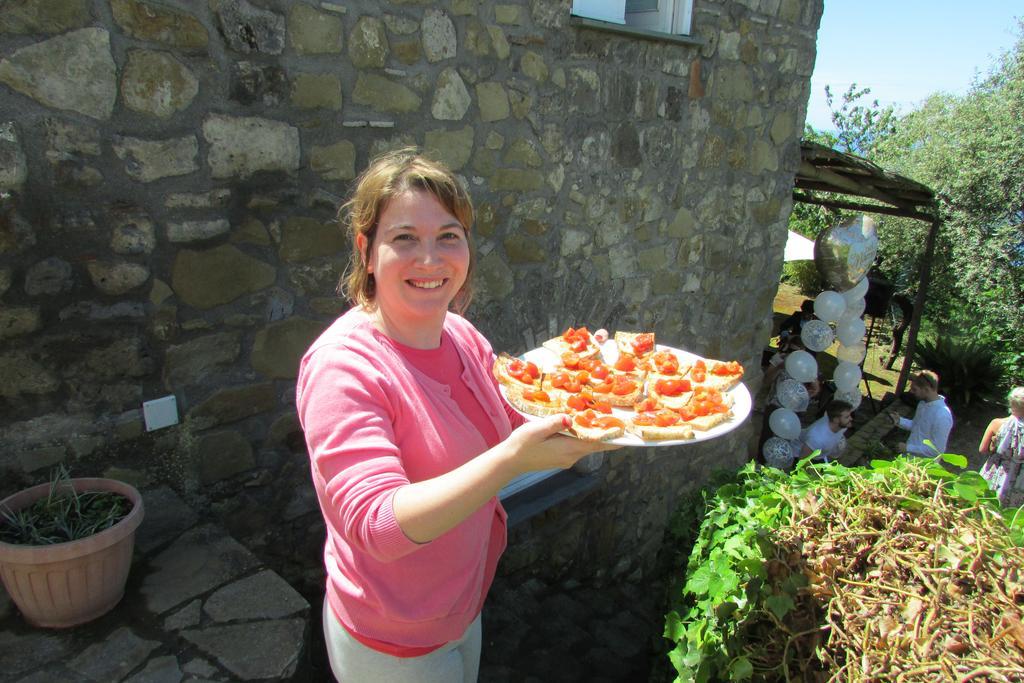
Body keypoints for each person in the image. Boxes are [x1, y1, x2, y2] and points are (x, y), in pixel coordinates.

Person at [295, 149, 619, 682]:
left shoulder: (462, 336)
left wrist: (587, 374)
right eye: (404, 238)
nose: (430, 258)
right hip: (391, 641)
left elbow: (516, 416)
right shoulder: (343, 368)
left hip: (461, 609)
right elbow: (377, 525)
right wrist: (512, 462)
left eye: (449, 235)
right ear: (367, 251)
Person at [887, 370, 954, 456]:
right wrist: (899, 421)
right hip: (909, 460)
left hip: (923, 466)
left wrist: (908, 448)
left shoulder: (942, 415)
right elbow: (916, 426)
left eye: (914, 389)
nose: (911, 392)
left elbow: (937, 450)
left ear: (926, 389)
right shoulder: (922, 403)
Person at [980, 387, 1024, 506]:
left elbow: (983, 449)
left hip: (996, 472)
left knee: (988, 507)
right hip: (1020, 478)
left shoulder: (997, 423)